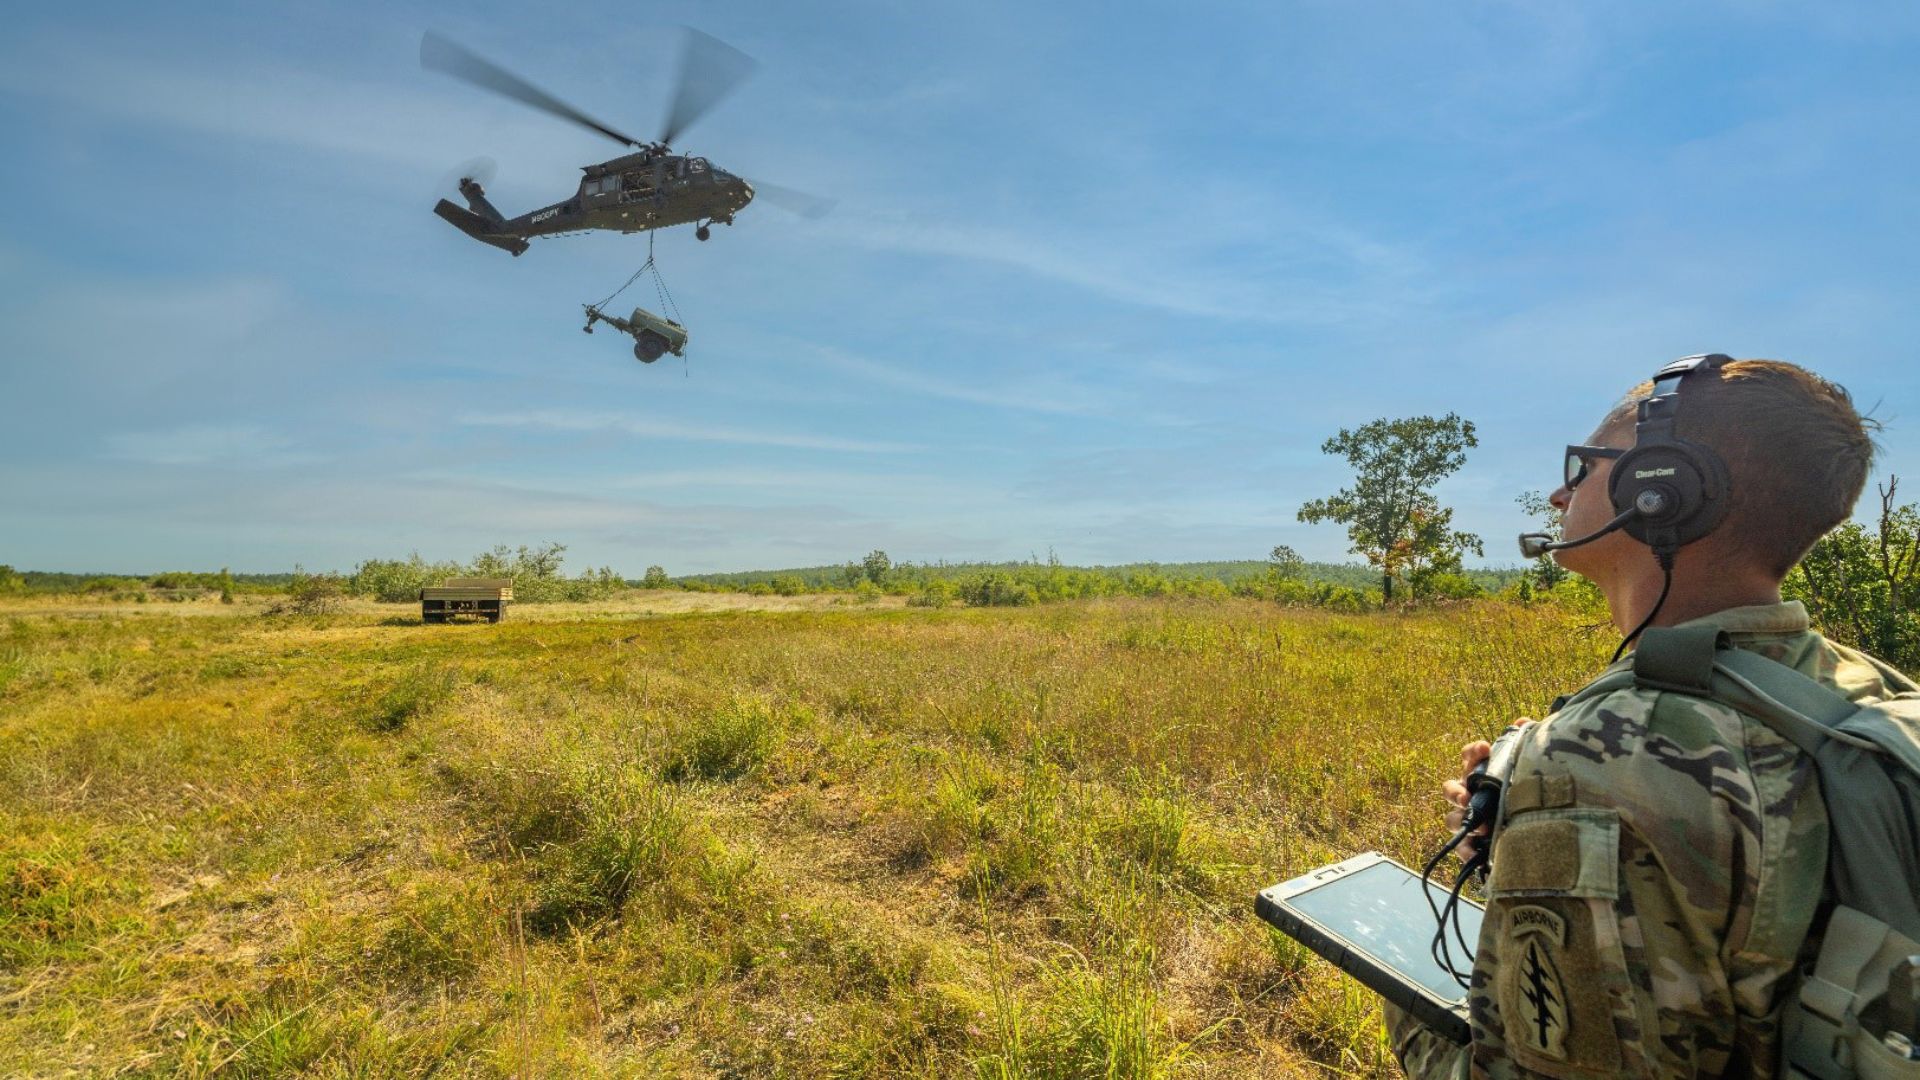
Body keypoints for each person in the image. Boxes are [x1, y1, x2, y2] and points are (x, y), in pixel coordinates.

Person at [1386, 357, 1914, 1078]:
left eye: (1584, 467)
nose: (1558, 492)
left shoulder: (1605, 758)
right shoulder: (1863, 685)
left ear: (1663, 487)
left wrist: (1407, 1007)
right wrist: (1524, 837)